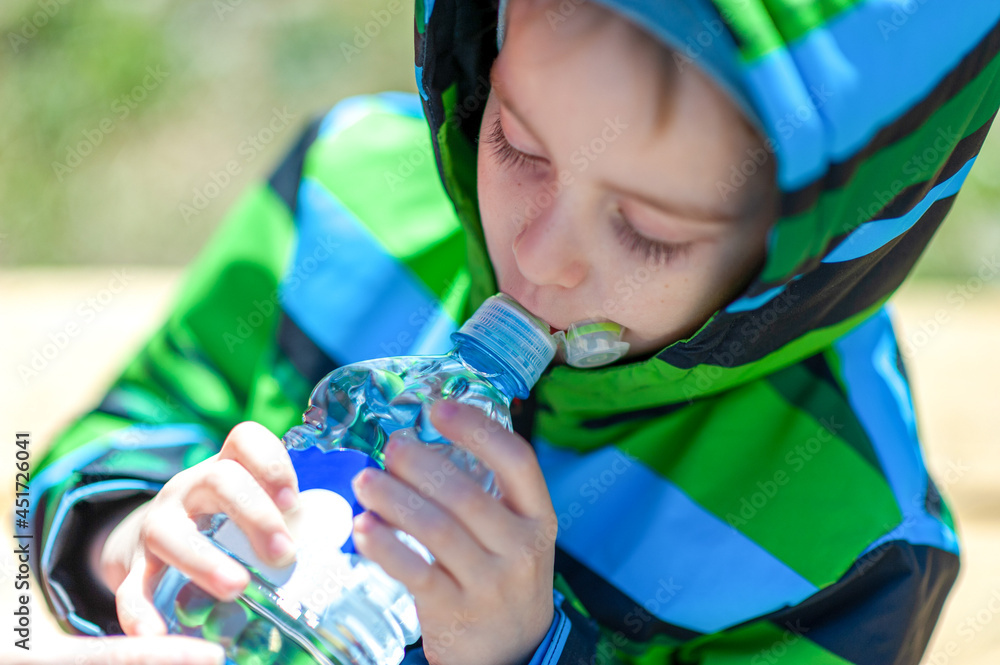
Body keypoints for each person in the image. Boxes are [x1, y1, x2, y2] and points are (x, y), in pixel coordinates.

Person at [26, 0, 1000, 663]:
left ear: (807, 259)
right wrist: (123, 535)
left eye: (648, 227)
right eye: (516, 143)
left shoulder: (847, 540)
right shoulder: (346, 200)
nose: (540, 254)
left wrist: (530, 649)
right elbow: (113, 431)